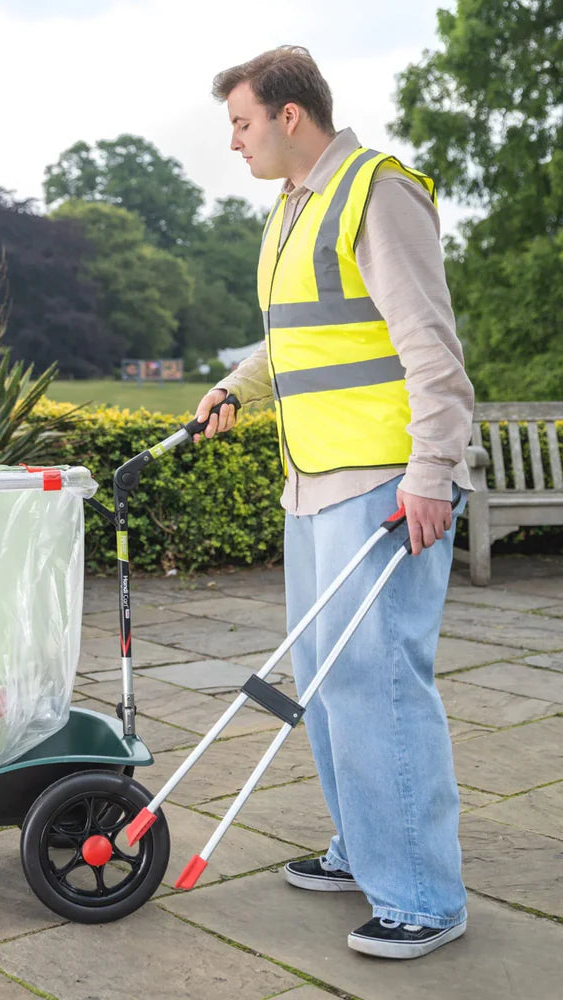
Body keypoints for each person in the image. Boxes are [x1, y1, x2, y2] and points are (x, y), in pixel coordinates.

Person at [194, 47, 474, 959]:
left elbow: (430, 348)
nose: (232, 142)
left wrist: (433, 471)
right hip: (314, 485)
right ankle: (367, 850)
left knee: (380, 683)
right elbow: (290, 342)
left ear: (288, 116)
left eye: (241, 122)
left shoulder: (376, 192)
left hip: (386, 485)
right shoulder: (291, 211)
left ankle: (425, 896)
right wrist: (238, 386)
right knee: (325, 682)